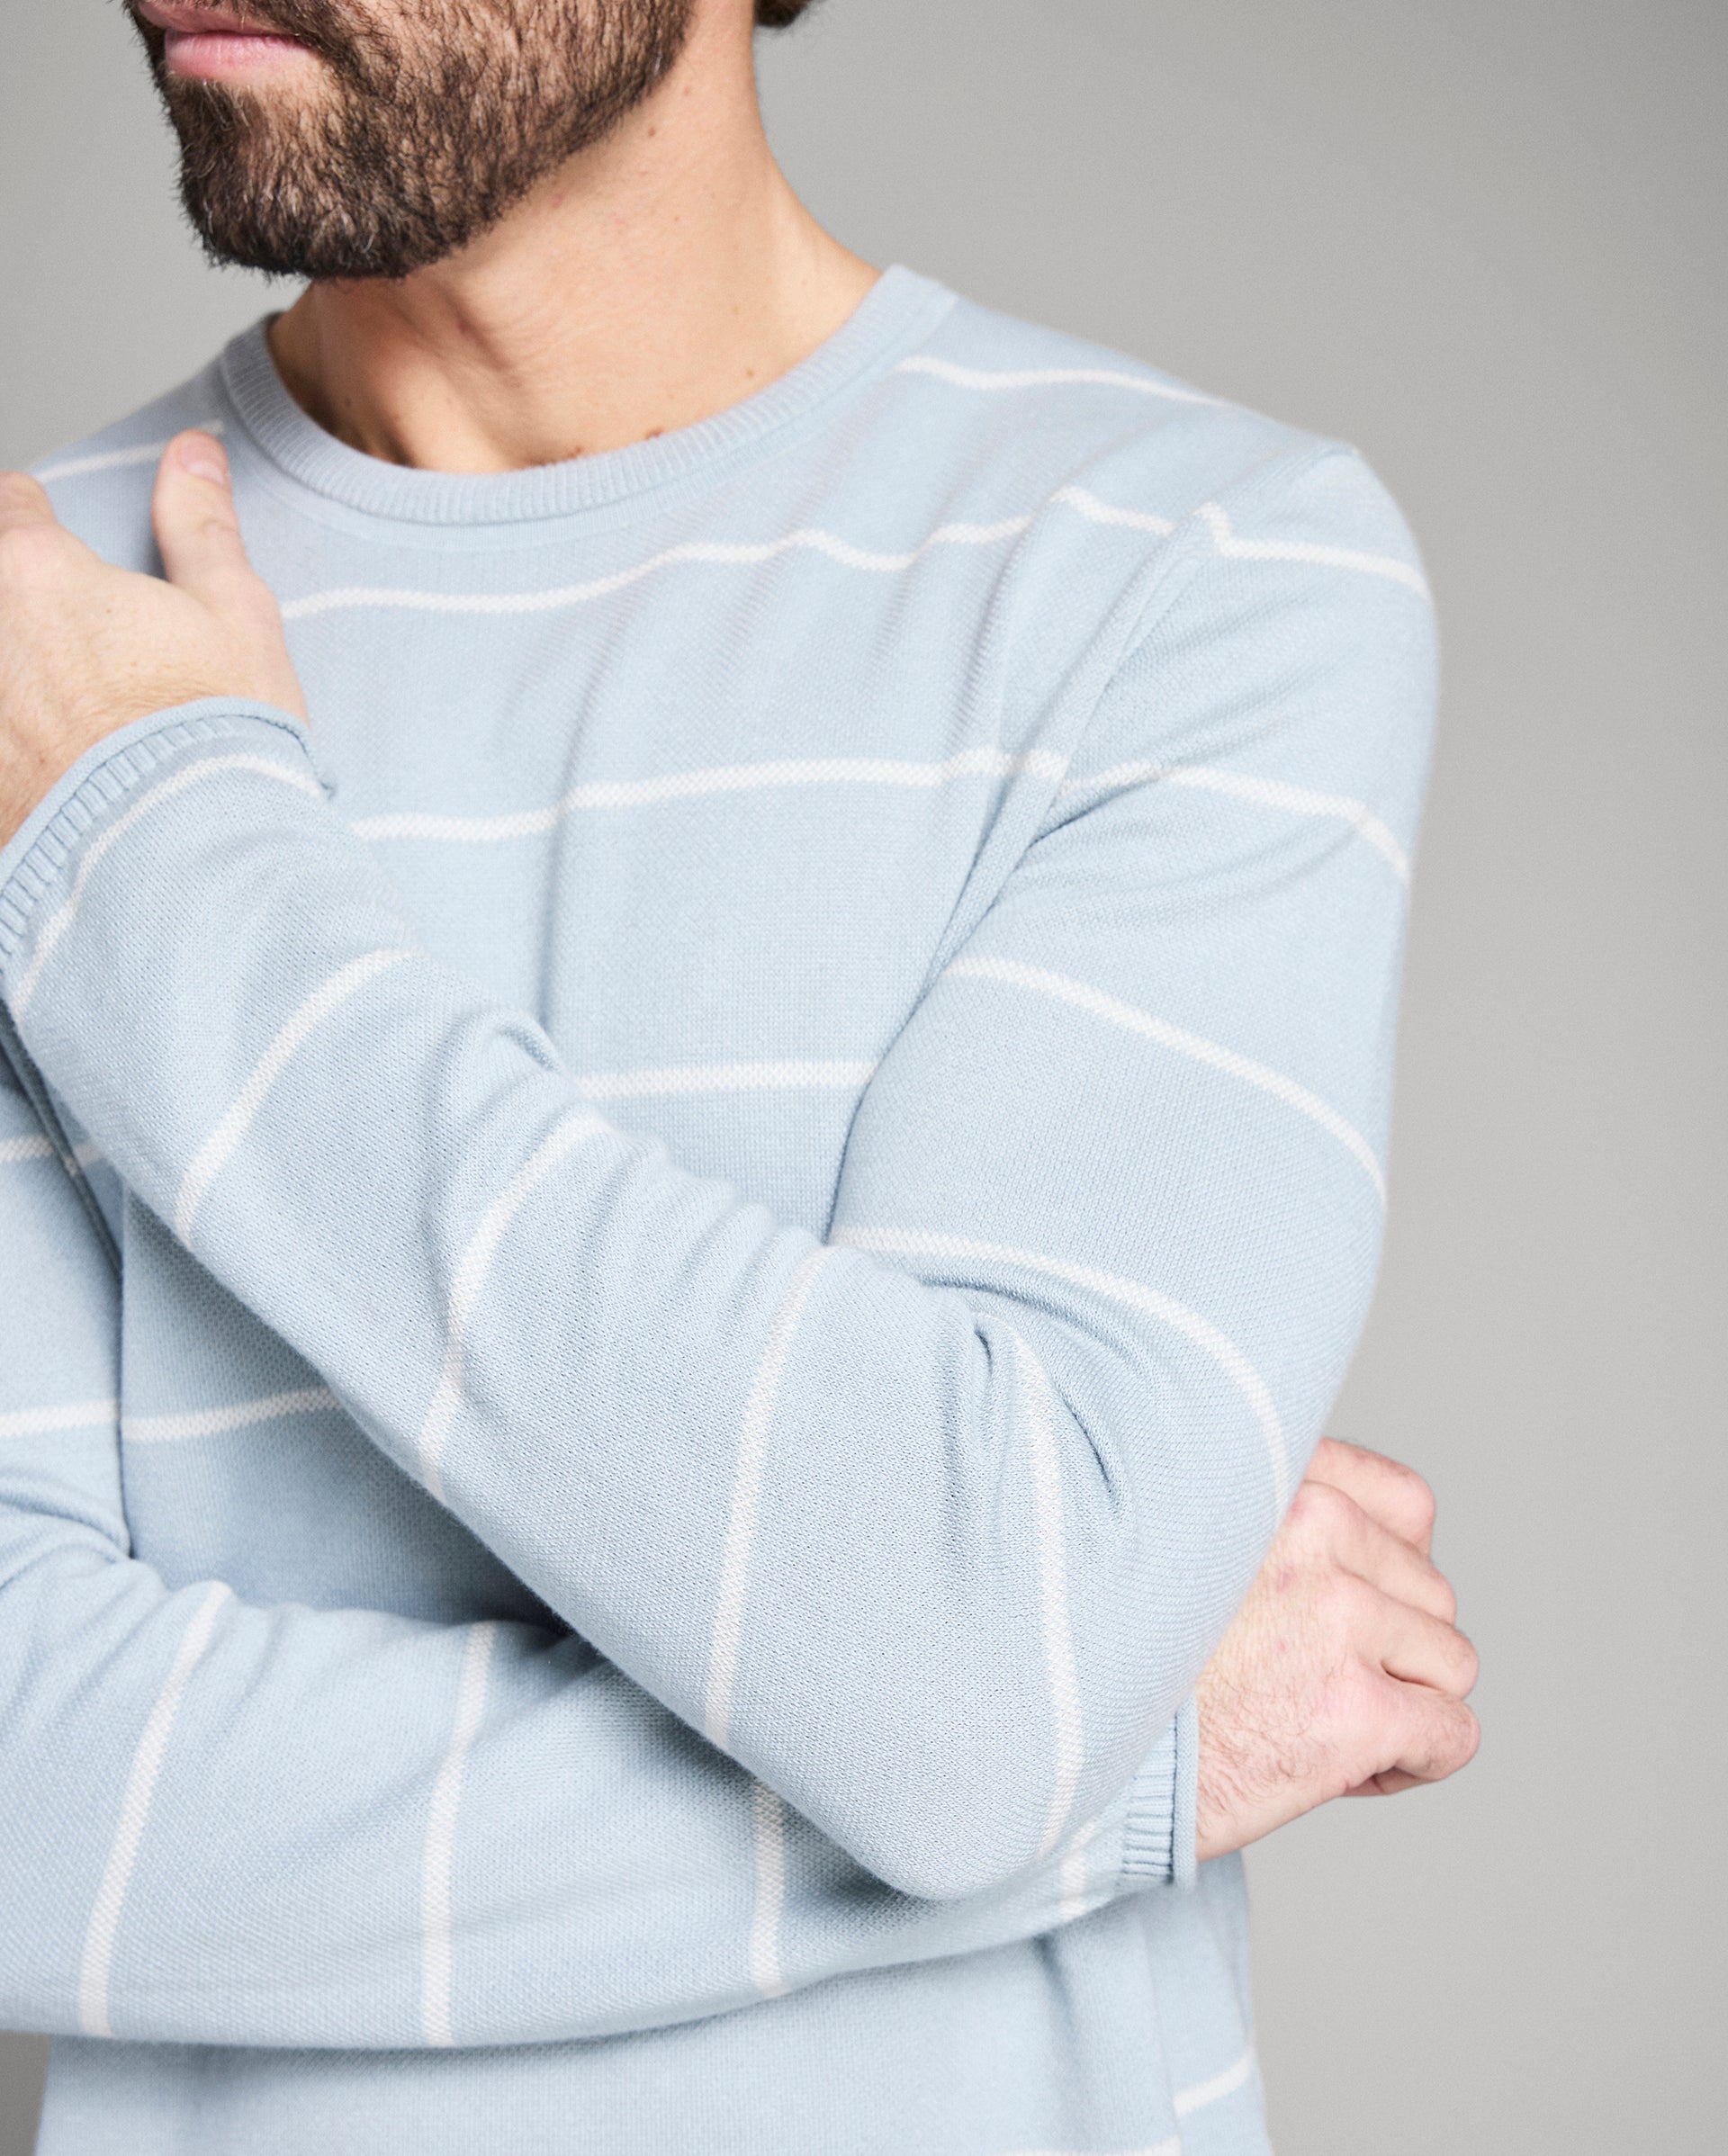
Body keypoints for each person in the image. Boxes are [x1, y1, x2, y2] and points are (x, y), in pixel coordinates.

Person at [0, 2, 1479, 2150]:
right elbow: (26, 1805)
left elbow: (965, 1673)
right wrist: (1078, 1783)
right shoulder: (36, 632)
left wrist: (157, 869)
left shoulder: (1193, 575)